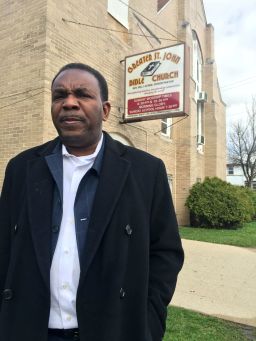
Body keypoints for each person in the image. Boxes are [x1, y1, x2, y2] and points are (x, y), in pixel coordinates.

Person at [0, 63, 184, 341]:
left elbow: (166, 253)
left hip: (112, 330)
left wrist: (149, 320)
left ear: (106, 110)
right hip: (29, 329)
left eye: (82, 95)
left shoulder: (146, 172)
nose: (69, 103)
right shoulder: (22, 168)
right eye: (59, 95)